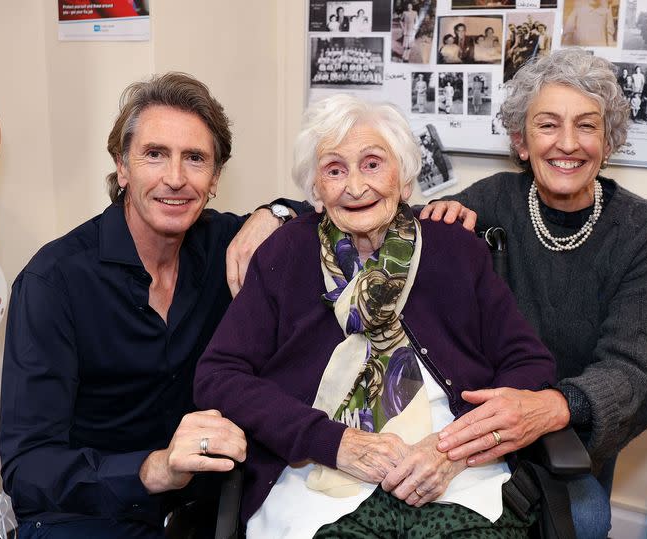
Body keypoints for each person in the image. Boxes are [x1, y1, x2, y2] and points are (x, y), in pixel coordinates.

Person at [194, 94, 557, 538]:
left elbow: (529, 364)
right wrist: (333, 442)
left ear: (404, 179)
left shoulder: (455, 249)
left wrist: (456, 447)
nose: (355, 186)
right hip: (318, 469)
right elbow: (218, 374)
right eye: (334, 169)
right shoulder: (286, 252)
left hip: (452, 467)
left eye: (372, 163)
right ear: (315, 192)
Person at [0, 72, 301, 538]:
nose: (175, 178)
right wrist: (154, 468)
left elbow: (336, 212)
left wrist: (277, 212)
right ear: (122, 167)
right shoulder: (53, 281)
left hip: (204, 507)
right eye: (155, 154)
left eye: (195, 159)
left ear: (216, 177)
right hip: (87, 514)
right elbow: (28, 468)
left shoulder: (227, 245)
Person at [421, 48, 647, 538]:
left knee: (584, 518)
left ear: (608, 141)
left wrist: (549, 408)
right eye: (548, 125)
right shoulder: (488, 200)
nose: (568, 144)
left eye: (587, 125)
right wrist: (277, 213)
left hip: (573, 433)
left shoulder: (646, 231)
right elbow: (371, 215)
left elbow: (633, 371)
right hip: (479, 422)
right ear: (521, 141)